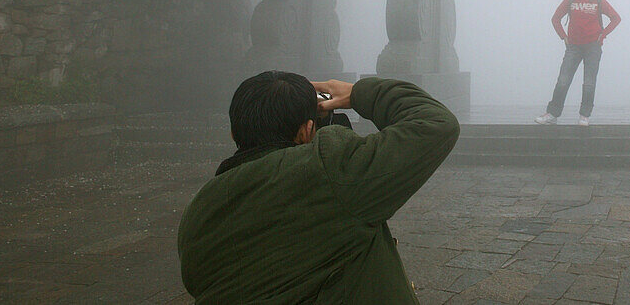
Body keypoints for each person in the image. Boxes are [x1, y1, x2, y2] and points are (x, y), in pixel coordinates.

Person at [177, 71, 459, 304]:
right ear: (305, 131)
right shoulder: (332, 173)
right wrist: (357, 93)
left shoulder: (197, 212)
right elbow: (437, 123)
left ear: (233, 132)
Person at [535, 0, 621, 126]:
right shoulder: (570, 0)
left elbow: (616, 18)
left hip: (593, 47)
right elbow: (555, 19)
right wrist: (564, 36)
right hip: (573, 46)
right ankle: (552, 113)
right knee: (563, 80)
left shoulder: (598, 0)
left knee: (589, 82)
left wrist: (603, 34)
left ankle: (584, 116)